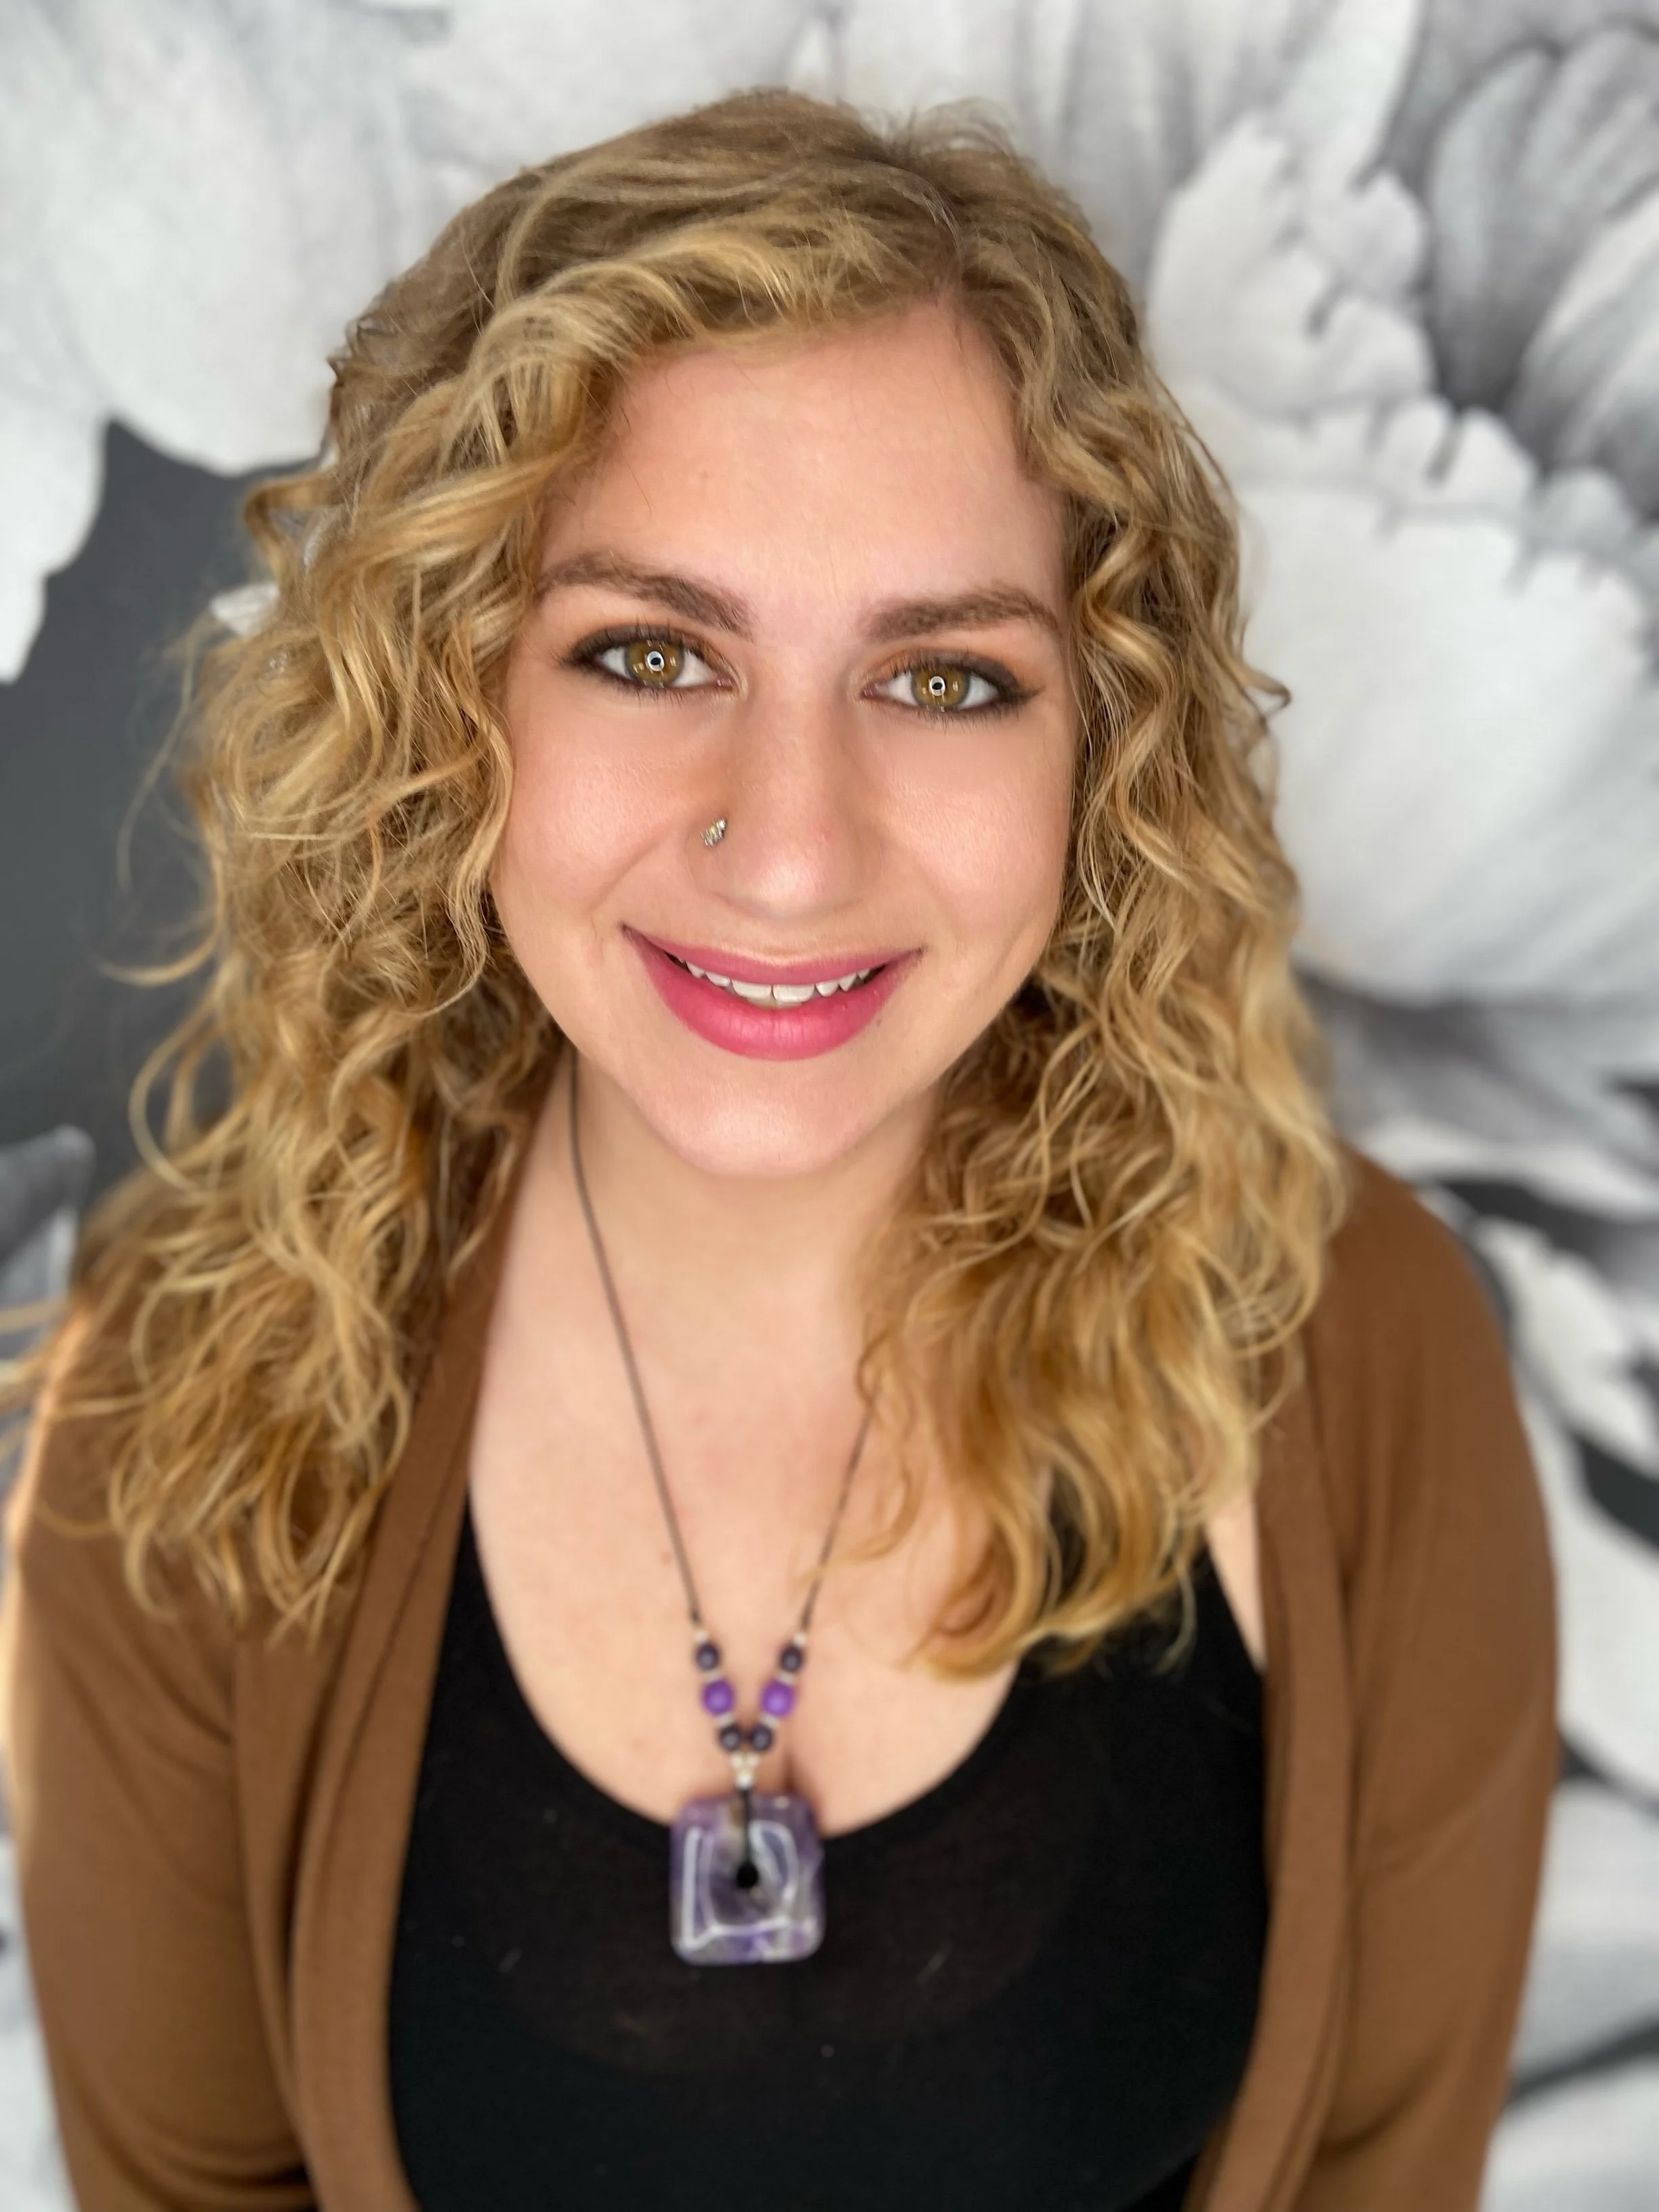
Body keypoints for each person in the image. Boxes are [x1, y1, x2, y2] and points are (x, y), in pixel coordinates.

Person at [0, 87, 1555, 2212]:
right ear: (454, 706)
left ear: (1108, 749)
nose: (792, 848)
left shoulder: (1352, 1343)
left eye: (945, 681)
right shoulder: (191, 1391)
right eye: (649, 654)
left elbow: (1388, 2168)